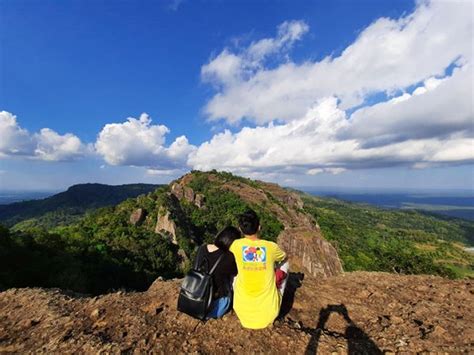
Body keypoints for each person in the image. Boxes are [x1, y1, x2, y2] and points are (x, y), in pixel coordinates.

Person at [229, 209, 289, 329]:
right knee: (286, 263)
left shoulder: (235, 245)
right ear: (259, 227)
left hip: (241, 310)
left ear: (240, 229)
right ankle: (277, 288)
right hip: (269, 313)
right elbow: (284, 257)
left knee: (235, 269)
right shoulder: (271, 246)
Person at [195, 226, 240, 319]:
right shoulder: (228, 257)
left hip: (195, 295)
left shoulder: (202, 248)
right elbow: (235, 273)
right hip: (217, 303)